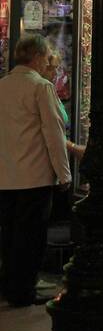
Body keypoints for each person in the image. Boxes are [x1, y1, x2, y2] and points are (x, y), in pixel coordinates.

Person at [0, 33, 72, 307]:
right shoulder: (41, 88)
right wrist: (64, 174)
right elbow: (53, 134)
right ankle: (23, 289)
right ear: (38, 57)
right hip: (34, 177)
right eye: (45, 58)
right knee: (30, 238)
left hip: (5, 177)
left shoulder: (3, 86)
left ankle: (9, 284)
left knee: (9, 234)